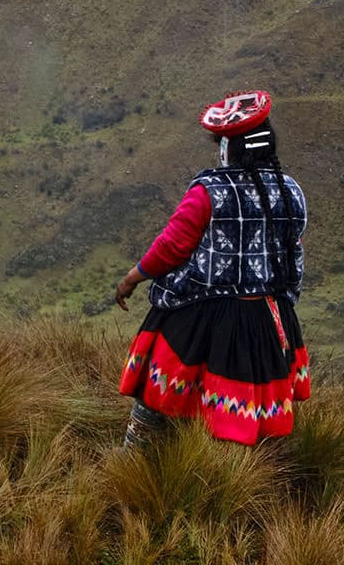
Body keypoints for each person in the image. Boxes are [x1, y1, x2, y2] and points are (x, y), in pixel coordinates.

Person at [115, 90, 310, 447]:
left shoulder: (209, 191)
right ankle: (240, 478)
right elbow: (293, 256)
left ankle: (136, 460)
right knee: (246, 410)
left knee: (158, 397)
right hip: (268, 319)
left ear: (229, 148)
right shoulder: (291, 191)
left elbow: (172, 246)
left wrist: (133, 278)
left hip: (201, 316)